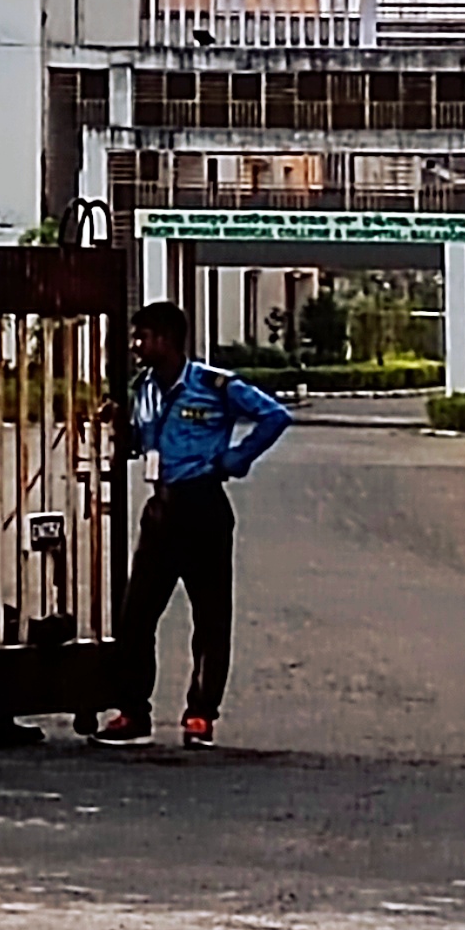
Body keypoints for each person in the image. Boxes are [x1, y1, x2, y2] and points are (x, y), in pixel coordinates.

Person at [98, 301, 292, 748]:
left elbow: (275, 416)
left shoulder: (213, 385)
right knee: (136, 614)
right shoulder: (143, 388)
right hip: (162, 507)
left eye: (143, 337)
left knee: (209, 617)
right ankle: (133, 712)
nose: (136, 345)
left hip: (203, 506)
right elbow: (140, 440)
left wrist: (237, 458)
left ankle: (201, 714)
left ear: (166, 339)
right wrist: (119, 428)